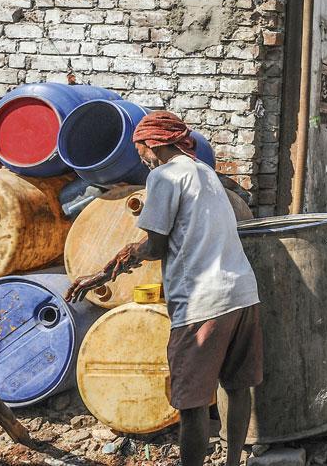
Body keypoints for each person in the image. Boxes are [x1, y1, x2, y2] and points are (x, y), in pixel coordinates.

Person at [66, 111, 261, 466]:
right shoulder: (204, 171)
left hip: (203, 302)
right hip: (243, 293)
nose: (139, 155)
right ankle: (234, 461)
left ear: (153, 143)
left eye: (139, 148)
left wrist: (103, 273)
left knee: (191, 403)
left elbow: (153, 246)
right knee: (236, 386)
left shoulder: (164, 177)